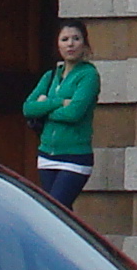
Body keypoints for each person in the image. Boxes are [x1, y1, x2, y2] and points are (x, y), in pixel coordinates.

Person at [21, 22, 100, 210]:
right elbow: (27, 108)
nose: (70, 44)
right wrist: (58, 102)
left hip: (74, 157)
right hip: (47, 155)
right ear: (58, 45)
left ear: (85, 44)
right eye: (64, 39)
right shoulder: (50, 76)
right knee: (60, 215)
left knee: (55, 210)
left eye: (76, 39)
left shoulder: (89, 75)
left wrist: (45, 105)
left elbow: (74, 113)